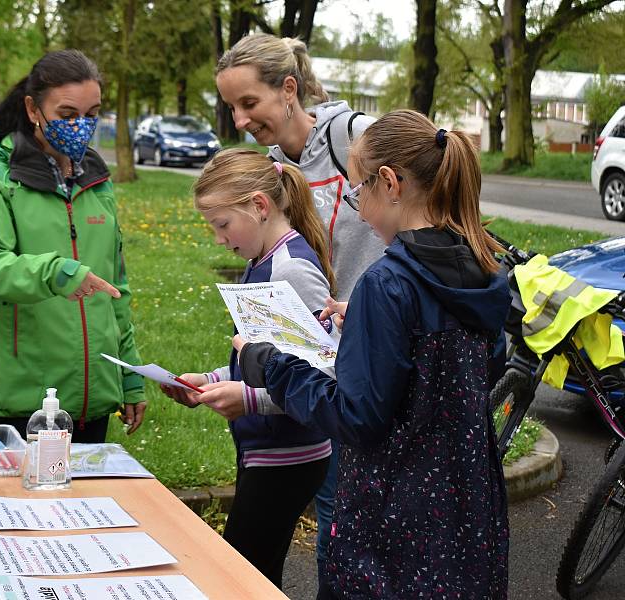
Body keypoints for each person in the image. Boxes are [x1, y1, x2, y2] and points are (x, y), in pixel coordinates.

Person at [235, 110, 511, 598]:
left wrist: (269, 365)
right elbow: (484, 365)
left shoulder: (387, 285)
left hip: (396, 527)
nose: (358, 207)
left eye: (358, 190)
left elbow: (357, 416)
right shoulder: (483, 269)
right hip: (467, 516)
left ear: (390, 183)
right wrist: (366, 325)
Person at [214, 32, 385, 581]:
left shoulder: (353, 138)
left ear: (289, 90)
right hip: (313, 364)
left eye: (249, 103)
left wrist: (371, 304)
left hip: (366, 349)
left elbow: (425, 198)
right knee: (328, 510)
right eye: (231, 108)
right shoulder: (270, 169)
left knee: (346, 518)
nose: (240, 119)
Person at [160, 148, 334, 589]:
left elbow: (323, 378)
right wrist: (214, 380)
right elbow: (265, 358)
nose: (219, 238)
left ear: (259, 206)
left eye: (222, 225)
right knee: (256, 577)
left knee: (237, 579)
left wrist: (249, 399)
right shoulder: (259, 261)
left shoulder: (290, 268)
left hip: (290, 455)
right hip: (267, 451)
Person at [0, 49, 146, 443]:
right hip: (22, 398)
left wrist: (129, 376)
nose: (81, 126)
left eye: (92, 114)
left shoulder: (97, 181)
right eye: (67, 115)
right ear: (33, 109)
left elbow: (117, 288)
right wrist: (55, 272)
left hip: (93, 399)